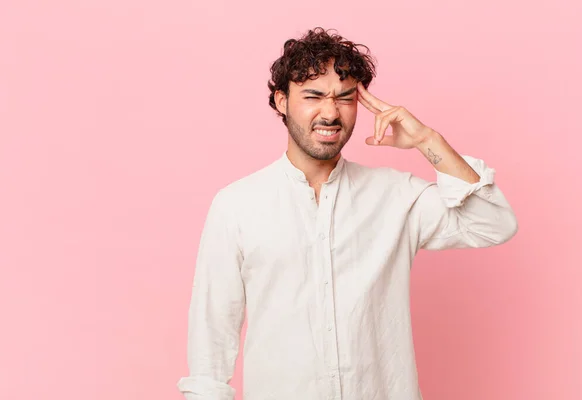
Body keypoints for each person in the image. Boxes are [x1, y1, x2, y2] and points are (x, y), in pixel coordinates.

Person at [176, 27, 518, 400]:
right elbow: (212, 337)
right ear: (282, 101)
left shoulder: (396, 196)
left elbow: (493, 223)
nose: (330, 112)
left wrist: (426, 141)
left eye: (345, 98)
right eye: (313, 96)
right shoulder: (237, 206)